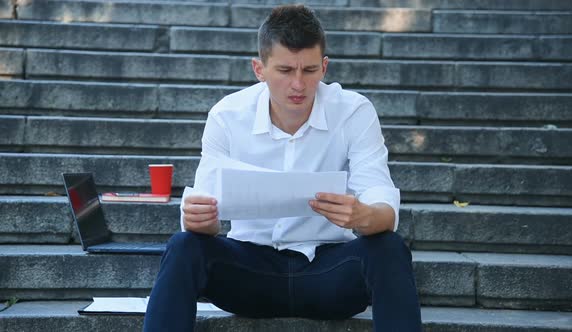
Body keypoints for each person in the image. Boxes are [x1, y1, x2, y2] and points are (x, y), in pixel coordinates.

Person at [143, 4, 422, 332]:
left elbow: (381, 200)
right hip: (248, 274)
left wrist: (365, 216)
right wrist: (200, 220)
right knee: (182, 246)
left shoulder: (354, 112)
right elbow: (202, 216)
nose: (298, 85)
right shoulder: (227, 115)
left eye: (309, 70)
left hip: (329, 274)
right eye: (286, 70)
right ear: (259, 69)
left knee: (388, 247)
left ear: (325, 67)